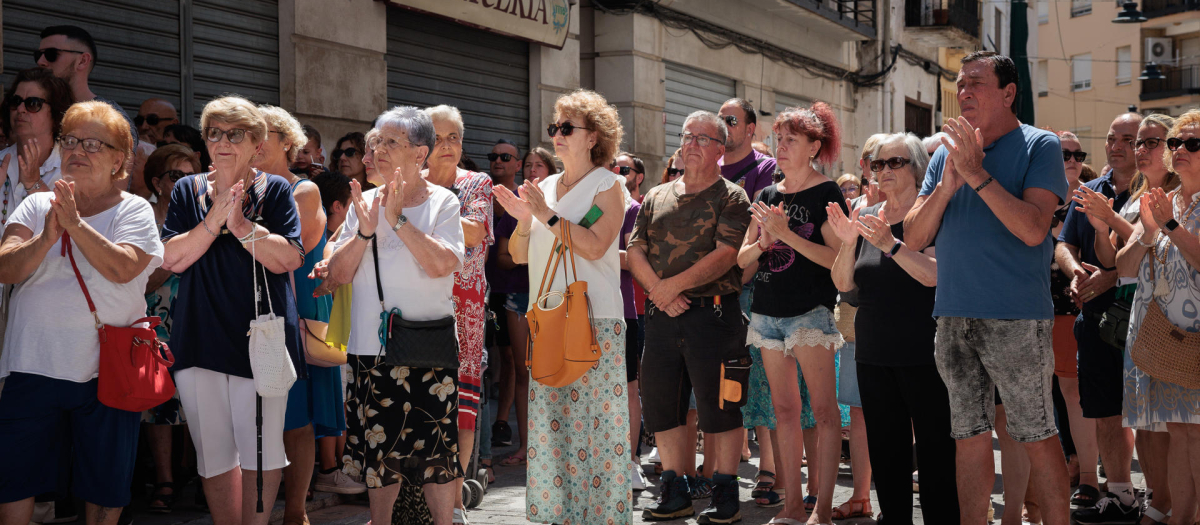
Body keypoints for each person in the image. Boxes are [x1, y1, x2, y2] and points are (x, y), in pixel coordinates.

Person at [903, 51, 1071, 525]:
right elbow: (914, 238)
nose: (964, 93)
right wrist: (947, 183)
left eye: (975, 82)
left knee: (1037, 433)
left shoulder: (1041, 146)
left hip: (1016, 317)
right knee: (968, 435)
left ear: (1009, 92)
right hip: (952, 315)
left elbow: (1035, 229)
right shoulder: (944, 155)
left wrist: (976, 174)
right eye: (959, 85)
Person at [0, 100, 164, 525]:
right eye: (70, 140)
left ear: (119, 161)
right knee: (15, 482)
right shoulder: (36, 207)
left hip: (106, 373)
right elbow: (5, 267)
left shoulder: (135, 210)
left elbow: (124, 267)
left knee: (104, 488)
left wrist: (74, 225)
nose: (78, 151)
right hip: (31, 366)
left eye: (93, 143)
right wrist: (46, 237)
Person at [161, 96, 306, 525]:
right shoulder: (187, 190)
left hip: (258, 336)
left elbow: (289, 258)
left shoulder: (275, 190)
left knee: (261, 448)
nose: (223, 142)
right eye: (214, 132)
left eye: (235, 133)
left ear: (257, 143)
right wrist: (213, 219)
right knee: (213, 451)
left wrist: (240, 224)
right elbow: (172, 258)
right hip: (199, 335)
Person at [494, 89, 632, 525]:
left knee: (596, 428)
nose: (557, 135)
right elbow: (518, 254)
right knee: (554, 429)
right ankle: (563, 516)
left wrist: (547, 215)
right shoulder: (546, 186)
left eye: (567, 128)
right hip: (548, 316)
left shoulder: (609, 185)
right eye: (555, 127)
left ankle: (601, 518)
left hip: (595, 318)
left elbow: (594, 245)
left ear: (593, 137)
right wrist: (522, 219)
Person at [326, 106, 465, 525]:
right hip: (371, 347)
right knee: (377, 449)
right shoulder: (362, 203)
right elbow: (337, 275)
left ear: (420, 154)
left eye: (391, 142)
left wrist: (398, 220)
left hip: (429, 346)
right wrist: (366, 231)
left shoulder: (443, 202)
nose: (379, 150)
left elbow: (443, 264)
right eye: (376, 142)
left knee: (437, 451)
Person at [828, 132, 959, 524]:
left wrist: (891, 245)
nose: (882, 170)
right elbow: (842, 283)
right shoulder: (868, 215)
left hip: (924, 355)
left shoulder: (930, 214)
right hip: (873, 353)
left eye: (894, 162)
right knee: (888, 454)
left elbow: (933, 276)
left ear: (918, 168)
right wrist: (849, 242)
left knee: (936, 454)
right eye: (878, 163)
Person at [630, 109, 750, 524]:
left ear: (720, 150)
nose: (692, 144)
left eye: (703, 138)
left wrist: (671, 287)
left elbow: (726, 255)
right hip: (662, 317)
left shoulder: (732, 196)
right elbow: (635, 250)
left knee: (721, 407)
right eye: (687, 136)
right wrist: (660, 292)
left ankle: (725, 492)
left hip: (713, 317)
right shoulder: (656, 195)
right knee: (663, 406)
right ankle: (674, 489)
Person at [735, 102, 848, 524]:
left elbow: (836, 260)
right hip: (765, 315)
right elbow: (743, 264)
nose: (780, 148)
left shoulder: (828, 193)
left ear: (814, 146)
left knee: (822, 413)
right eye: (779, 139)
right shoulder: (765, 194)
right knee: (783, 412)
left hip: (809, 314)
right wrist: (765, 240)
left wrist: (786, 235)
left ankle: (821, 508)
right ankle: (794, 507)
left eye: (791, 140)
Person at [1080, 114, 1180, 525]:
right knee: (1149, 423)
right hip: (1141, 318)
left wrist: (1111, 217)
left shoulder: (1179, 192)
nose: (1140, 150)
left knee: (1179, 425)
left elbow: (1148, 248)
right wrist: (1102, 228)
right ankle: (1159, 503)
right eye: (1138, 143)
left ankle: (1177, 507)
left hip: (1174, 319)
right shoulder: (1141, 192)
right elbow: (1120, 261)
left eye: (1150, 142)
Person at [1115, 108, 1200, 525]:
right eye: (1176, 143)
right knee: (1182, 435)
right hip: (1166, 344)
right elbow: (1124, 267)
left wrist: (1169, 225)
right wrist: (1150, 230)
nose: (1180, 149)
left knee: (1197, 437)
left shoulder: (1178, 209)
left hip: (1196, 344)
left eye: (1192, 144)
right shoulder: (1167, 201)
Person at [1057, 113, 1141, 523]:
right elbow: (1063, 244)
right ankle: (1121, 493)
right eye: (1111, 138)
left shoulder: (1156, 192)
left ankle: (1163, 498)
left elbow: (1151, 252)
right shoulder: (1087, 191)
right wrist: (1075, 270)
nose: (1117, 145)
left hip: (1143, 319)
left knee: (1149, 413)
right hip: (1094, 318)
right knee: (1104, 409)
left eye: (1128, 138)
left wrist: (1109, 278)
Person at [421, 104, 493, 522]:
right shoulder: (411, 184)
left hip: (465, 308)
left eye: (455, 137)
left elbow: (475, 230)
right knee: (422, 396)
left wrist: (421, 212)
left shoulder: (475, 182)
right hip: (420, 302)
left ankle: (457, 498)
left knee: (463, 401)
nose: (447, 146)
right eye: (438, 137)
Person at [140, 143, 201, 514]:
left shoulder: (208, 216)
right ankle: (164, 479)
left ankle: (198, 475)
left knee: (199, 399)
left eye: (192, 176)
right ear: (157, 182)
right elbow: (142, 282)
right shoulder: (140, 217)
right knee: (158, 402)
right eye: (177, 175)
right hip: (154, 320)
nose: (185, 183)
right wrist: (178, 253)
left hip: (197, 320)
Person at [1048, 131, 1097, 510]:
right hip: (1030, 307)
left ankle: (1086, 477)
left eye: (1078, 154)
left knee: (1073, 394)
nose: (1072, 159)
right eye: (1065, 153)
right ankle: (1064, 466)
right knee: (1045, 397)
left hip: (1072, 307)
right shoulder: (1036, 192)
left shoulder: (1088, 196)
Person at [611, 151, 649, 491]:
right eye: (609, 166)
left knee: (629, 389)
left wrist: (589, 247)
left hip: (625, 311)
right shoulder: (596, 206)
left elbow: (631, 260)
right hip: (591, 311)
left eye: (621, 168)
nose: (614, 172)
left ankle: (632, 460)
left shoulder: (632, 209)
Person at [36, 25, 137, 146]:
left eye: (51, 54)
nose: (40, 61)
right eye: (38, 55)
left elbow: (123, 163)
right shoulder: (29, 107)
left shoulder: (111, 118)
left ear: (82, 61)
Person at [0, 68, 72, 227]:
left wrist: (35, 184)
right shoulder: (1, 160)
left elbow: (70, 232)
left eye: (33, 104)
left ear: (55, 113)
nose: (20, 109)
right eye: (15, 101)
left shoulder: (72, 168)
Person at [718, 98, 777, 199]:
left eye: (731, 121)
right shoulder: (708, 163)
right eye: (719, 120)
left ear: (749, 129)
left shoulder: (766, 167)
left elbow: (758, 213)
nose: (723, 126)